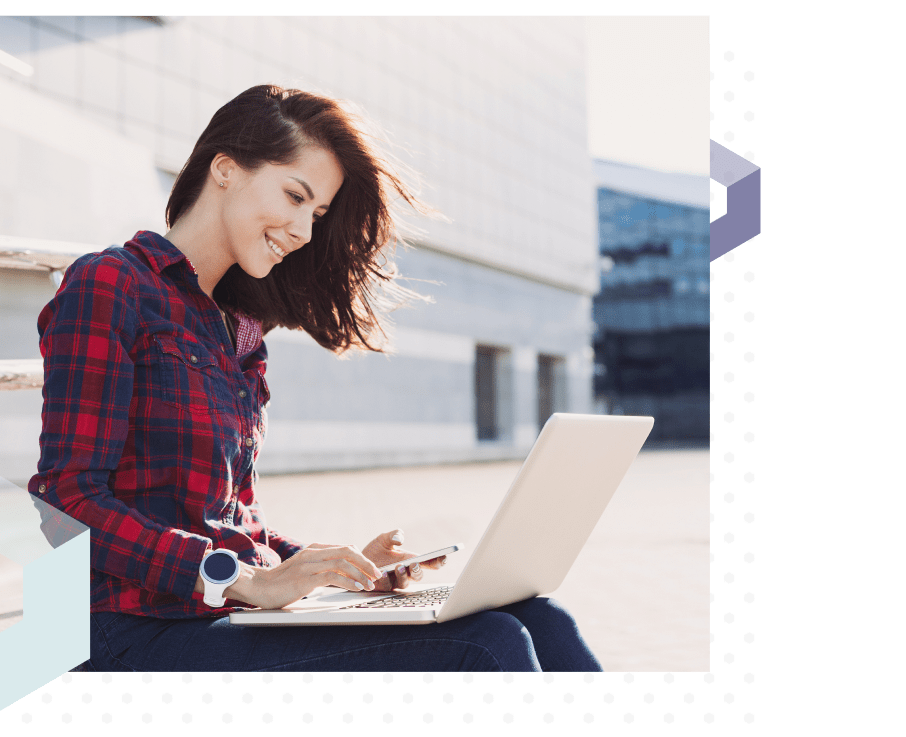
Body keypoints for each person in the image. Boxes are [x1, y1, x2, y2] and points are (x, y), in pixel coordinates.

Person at [30, 84, 601, 672]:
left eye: (317, 213)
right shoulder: (113, 284)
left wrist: (338, 567)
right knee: (488, 645)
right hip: (128, 638)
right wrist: (235, 580)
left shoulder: (239, 327)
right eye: (295, 196)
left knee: (540, 619)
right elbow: (65, 503)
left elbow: (229, 524)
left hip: (217, 622)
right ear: (225, 169)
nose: (304, 230)